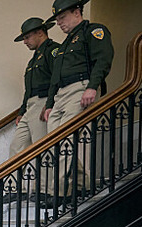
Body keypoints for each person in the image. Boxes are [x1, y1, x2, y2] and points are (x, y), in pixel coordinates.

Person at [42, 0, 113, 207]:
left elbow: (103, 59)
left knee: (64, 141)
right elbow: (55, 77)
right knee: (54, 144)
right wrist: (49, 103)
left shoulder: (93, 31)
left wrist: (92, 86)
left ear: (77, 12)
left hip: (80, 87)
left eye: (62, 17)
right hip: (61, 95)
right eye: (57, 19)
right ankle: (82, 184)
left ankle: (61, 191)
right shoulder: (64, 44)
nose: (59, 23)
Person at [5, 17, 60, 203]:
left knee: (42, 147)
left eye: (27, 37)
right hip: (30, 106)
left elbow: (56, 79)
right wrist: (21, 111)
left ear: (40, 32)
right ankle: (15, 188)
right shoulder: (34, 58)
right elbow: (28, 90)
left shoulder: (53, 51)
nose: (26, 42)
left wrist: (51, 103)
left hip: (44, 101)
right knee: (17, 146)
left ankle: (45, 190)